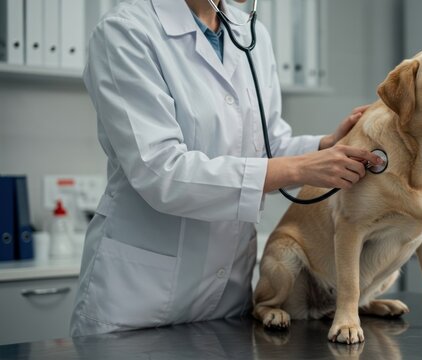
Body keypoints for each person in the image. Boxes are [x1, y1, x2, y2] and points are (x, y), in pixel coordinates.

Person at [70, 0, 382, 336]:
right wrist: (301, 168)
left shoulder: (250, 33)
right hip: (140, 299)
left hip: (227, 298)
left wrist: (325, 147)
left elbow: (267, 144)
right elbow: (161, 172)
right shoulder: (126, 31)